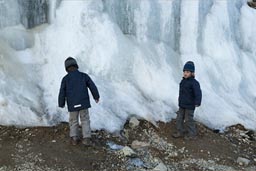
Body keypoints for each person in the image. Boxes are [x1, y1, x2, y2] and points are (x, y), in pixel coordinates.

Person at [58, 57, 100, 146]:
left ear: (66, 68)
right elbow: (92, 86)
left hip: (72, 105)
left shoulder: (65, 79)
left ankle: (74, 138)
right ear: (76, 65)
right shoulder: (84, 76)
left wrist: (61, 103)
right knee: (85, 120)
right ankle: (86, 139)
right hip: (83, 103)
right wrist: (96, 96)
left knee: (73, 121)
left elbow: (62, 92)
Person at [172, 61, 202, 140]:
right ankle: (180, 131)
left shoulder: (194, 83)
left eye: (188, 72)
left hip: (190, 105)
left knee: (189, 120)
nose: (185, 73)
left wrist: (197, 102)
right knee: (179, 118)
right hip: (182, 104)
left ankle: (192, 134)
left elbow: (198, 93)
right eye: (184, 71)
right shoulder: (183, 81)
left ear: (192, 73)